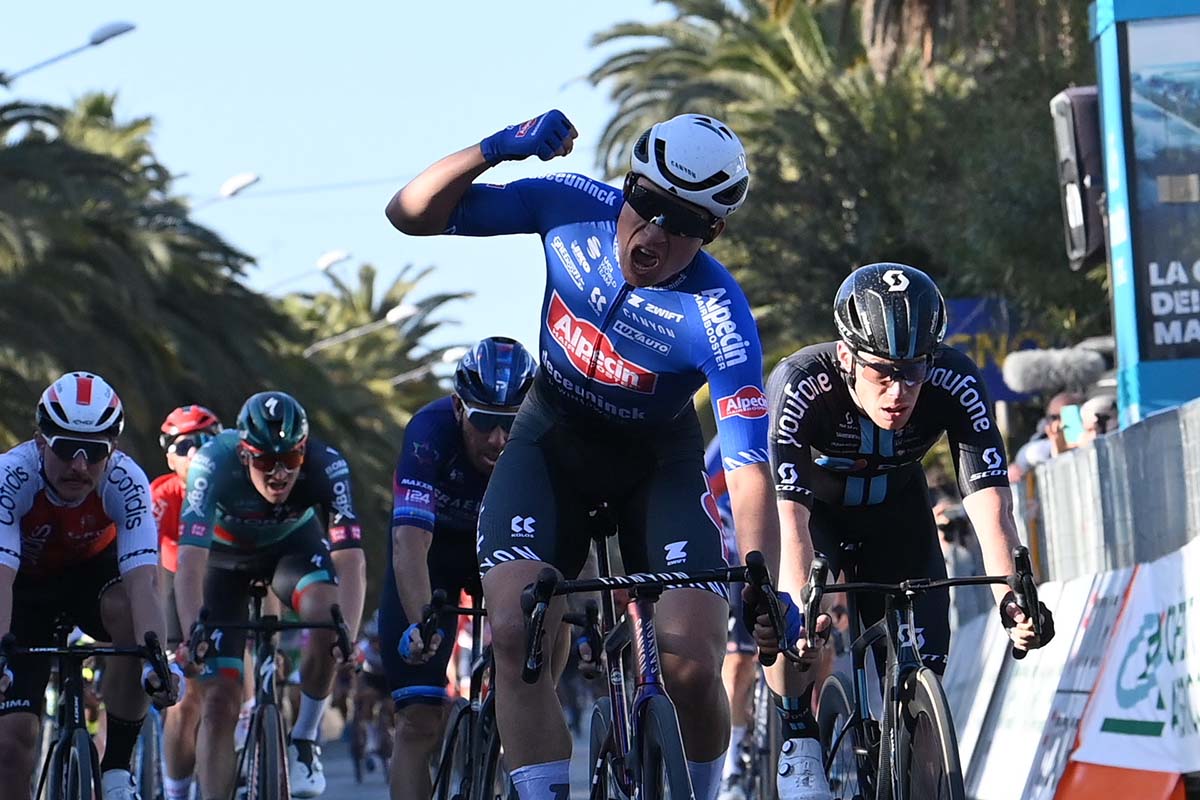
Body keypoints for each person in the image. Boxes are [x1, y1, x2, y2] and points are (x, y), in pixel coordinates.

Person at [386, 109, 780, 800]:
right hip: (549, 444)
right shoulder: (570, 207)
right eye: (647, 202)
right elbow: (408, 213)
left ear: (713, 230)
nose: (654, 231)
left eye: (681, 221)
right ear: (627, 183)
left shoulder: (719, 314)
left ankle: (706, 790)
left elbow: (748, 466)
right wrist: (493, 149)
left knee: (691, 664)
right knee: (513, 633)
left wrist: (760, 577)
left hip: (655, 463)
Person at [758, 263, 1055, 799]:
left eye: (913, 371)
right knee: (793, 622)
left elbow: (991, 506)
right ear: (847, 357)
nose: (898, 391)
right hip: (815, 515)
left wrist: (1014, 597)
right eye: (881, 372)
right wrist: (799, 610)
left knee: (925, 681)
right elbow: (791, 520)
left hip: (897, 514)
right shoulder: (801, 382)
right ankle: (798, 738)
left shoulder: (955, 378)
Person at [174, 391, 366, 800]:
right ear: (244, 454)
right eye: (264, 461)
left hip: (291, 549)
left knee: (328, 618)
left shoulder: (328, 464)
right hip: (223, 562)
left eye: (291, 461)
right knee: (219, 703)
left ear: (303, 452)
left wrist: (345, 632)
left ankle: (304, 739)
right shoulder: (212, 463)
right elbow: (189, 562)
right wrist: (193, 634)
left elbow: (350, 558)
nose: (279, 474)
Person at [0, 372, 180, 800]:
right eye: (65, 449)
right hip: (22, 590)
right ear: (40, 441)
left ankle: (117, 768)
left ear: (112, 450)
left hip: (91, 580)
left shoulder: (126, 480)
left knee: (132, 622)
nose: (80, 465)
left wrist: (157, 660)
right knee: (9, 746)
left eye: (95, 451)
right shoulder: (11, 476)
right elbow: (1, 577)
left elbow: (143, 585)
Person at [381, 336, 536, 799]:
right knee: (417, 721)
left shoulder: (540, 438)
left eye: (511, 424)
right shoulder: (429, 433)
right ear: (457, 407)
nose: (498, 439)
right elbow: (410, 540)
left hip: (502, 550)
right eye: (485, 421)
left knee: (531, 672)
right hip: (436, 558)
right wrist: (420, 621)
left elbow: (564, 542)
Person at [152, 405, 223, 800]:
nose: (195, 453)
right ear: (168, 456)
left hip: (224, 582)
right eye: (184, 445)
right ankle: (176, 791)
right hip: (172, 583)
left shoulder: (234, 484)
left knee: (232, 683)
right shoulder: (161, 495)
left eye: (205, 442)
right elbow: (146, 567)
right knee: (186, 695)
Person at [704, 437, 757, 800]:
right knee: (737, 662)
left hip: (778, 544)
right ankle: (733, 760)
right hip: (733, 552)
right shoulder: (724, 444)